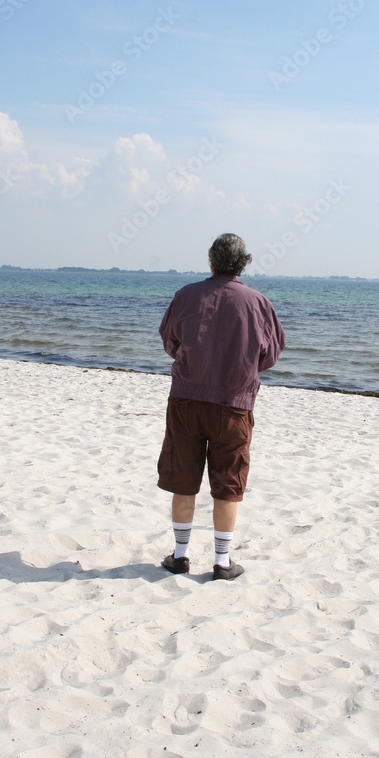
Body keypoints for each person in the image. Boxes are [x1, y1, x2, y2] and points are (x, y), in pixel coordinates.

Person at [156, 233, 286, 580]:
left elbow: (170, 339)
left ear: (212, 261)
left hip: (187, 400)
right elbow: (270, 354)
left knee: (183, 480)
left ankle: (180, 556)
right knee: (228, 483)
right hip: (234, 404)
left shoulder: (186, 295)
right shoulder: (257, 302)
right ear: (243, 263)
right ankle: (221, 562)